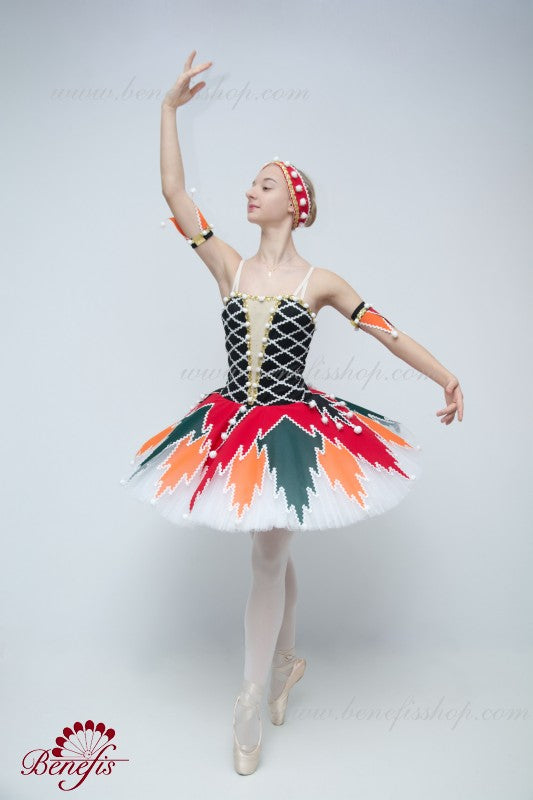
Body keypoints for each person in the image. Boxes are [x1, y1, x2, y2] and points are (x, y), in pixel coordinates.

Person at [120, 51, 464, 775]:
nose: (250, 191)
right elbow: (175, 192)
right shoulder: (228, 265)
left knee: (268, 554)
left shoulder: (320, 281)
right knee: (272, 552)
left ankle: (250, 697)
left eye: (265, 184)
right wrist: (167, 109)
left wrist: (445, 376)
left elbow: (387, 331)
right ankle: (282, 665)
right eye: (251, 183)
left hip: (292, 430)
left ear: (294, 203)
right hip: (231, 423)